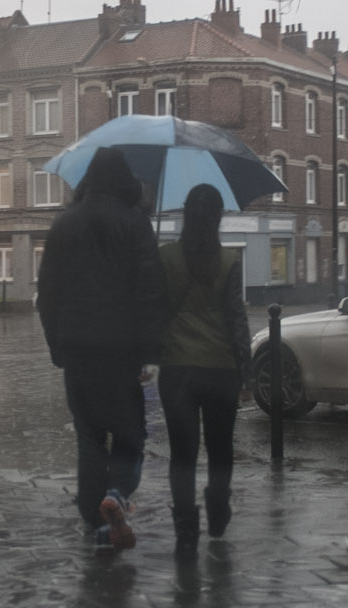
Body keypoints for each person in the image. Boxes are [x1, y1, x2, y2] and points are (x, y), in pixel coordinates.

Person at [36, 147, 168, 551]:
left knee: (89, 436)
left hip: (77, 348)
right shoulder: (136, 223)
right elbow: (150, 292)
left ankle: (96, 519)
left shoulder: (63, 225)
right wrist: (151, 352)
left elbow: (48, 294)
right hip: (123, 351)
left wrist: (57, 344)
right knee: (130, 435)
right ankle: (117, 495)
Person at [156, 184, 251, 548]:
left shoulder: (165, 258)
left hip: (178, 369)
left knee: (183, 452)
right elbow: (236, 319)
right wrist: (246, 372)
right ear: (217, 219)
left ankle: (185, 523)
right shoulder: (228, 261)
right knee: (220, 447)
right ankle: (217, 508)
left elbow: (156, 311)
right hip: (220, 368)